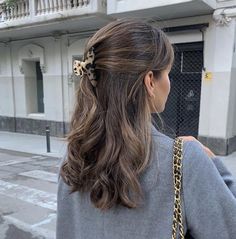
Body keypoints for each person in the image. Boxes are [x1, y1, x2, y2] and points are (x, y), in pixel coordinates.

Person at [56, 19, 236, 239]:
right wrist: (215, 166)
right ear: (150, 81)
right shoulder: (185, 161)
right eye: (168, 73)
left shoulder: (74, 159)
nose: (169, 83)